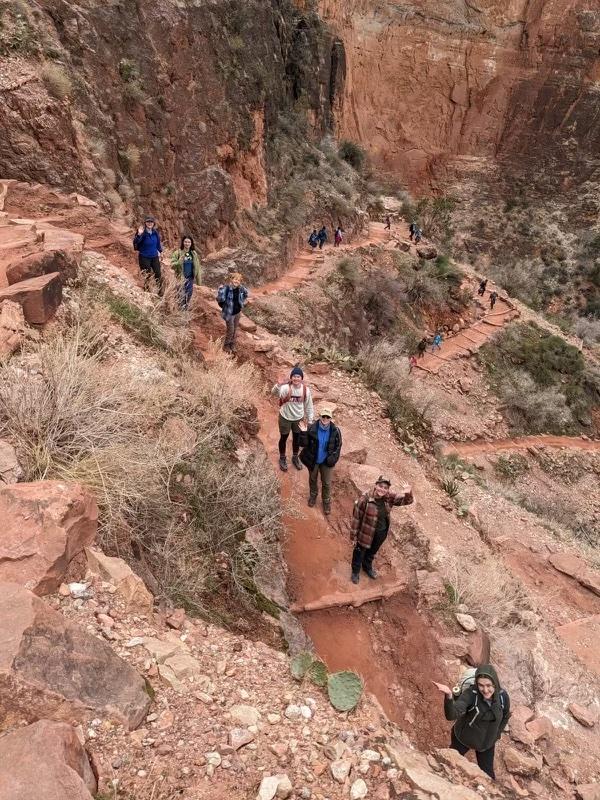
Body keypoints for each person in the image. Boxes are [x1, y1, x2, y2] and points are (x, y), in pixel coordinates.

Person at [433, 665, 510, 780]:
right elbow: (451, 715)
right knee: (449, 763)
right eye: (481, 685)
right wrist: (449, 696)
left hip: (486, 744)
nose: (485, 690)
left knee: (489, 778)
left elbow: (505, 716)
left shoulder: (503, 697)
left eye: (488, 685)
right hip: (463, 738)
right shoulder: (470, 694)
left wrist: (496, 735)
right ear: (476, 684)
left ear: (495, 683)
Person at [350, 476, 413, 584]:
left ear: (388, 489)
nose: (382, 489)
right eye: (380, 486)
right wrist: (353, 536)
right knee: (359, 551)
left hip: (381, 532)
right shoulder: (364, 499)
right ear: (376, 485)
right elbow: (356, 518)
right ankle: (355, 571)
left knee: (372, 552)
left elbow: (407, 501)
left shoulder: (389, 497)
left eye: (385, 487)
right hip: (366, 532)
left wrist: (408, 493)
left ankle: (367, 567)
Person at [299, 405, 342, 515]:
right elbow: (303, 444)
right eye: (324, 416)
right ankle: (313, 496)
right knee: (313, 479)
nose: (325, 419)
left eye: (328, 417)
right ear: (320, 416)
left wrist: (333, 459)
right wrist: (304, 432)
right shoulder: (312, 428)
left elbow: (338, 446)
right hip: (314, 460)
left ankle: (326, 501)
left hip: (326, 461)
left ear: (331, 418)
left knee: (326, 483)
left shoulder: (335, 431)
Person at [272, 366, 314, 472]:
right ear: (291, 378)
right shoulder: (286, 388)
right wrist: (278, 385)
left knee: (297, 439)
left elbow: (309, 406)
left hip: (298, 418)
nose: (296, 378)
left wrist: (310, 420)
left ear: (301, 378)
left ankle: (295, 457)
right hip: (285, 417)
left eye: (298, 376)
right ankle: (282, 458)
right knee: (284, 438)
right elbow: (274, 393)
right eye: (294, 376)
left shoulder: (305, 390)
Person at [216, 271, 249, 353]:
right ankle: (226, 346)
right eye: (235, 279)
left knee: (235, 329)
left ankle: (232, 344)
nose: (236, 281)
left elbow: (246, 293)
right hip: (229, 313)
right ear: (231, 279)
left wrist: (242, 301)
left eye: (239, 280)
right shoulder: (226, 288)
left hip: (238, 312)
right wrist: (220, 290)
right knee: (230, 330)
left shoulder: (240, 288)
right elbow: (219, 299)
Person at [133, 216, 163, 295]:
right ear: (145, 223)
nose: (150, 223)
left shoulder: (155, 232)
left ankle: (160, 292)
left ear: (153, 224)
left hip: (154, 256)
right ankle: (147, 291)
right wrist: (139, 234)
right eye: (148, 222)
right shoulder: (142, 232)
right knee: (147, 275)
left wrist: (160, 252)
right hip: (144, 257)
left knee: (158, 273)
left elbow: (158, 243)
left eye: (151, 222)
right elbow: (136, 242)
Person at [171, 235, 201, 310]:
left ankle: (185, 309)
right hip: (180, 278)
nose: (187, 243)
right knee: (180, 295)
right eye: (185, 242)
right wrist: (178, 262)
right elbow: (172, 265)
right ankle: (180, 311)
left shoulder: (193, 254)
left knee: (189, 294)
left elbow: (197, 267)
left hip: (190, 278)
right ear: (183, 243)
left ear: (191, 243)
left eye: (189, 242)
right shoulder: (177, 253)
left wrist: (199, 282)